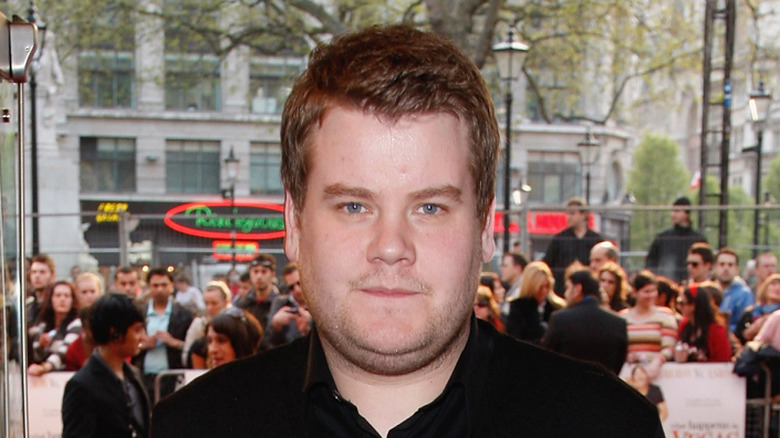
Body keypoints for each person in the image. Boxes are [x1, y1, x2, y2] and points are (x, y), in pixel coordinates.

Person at [152, 25, 662, 437]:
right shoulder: (194, 426)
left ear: (485, 226)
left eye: (431, 208)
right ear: (294, 223)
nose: (391, 247)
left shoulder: (608, 425)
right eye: (353, 205)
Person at [62, 293, 150, 438]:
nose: (143, 337)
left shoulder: (134, 376)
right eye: (137, 330)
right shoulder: (81, 386)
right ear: (114, 333)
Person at [542, 268, 628, 374]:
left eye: (568, 288)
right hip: (602, 387)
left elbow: (546, 359)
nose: (566, 294)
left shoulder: (560, 319)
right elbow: (618, 364)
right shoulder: (618, 323)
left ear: (578, 289)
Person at [133, 267, 193, 400]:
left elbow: (191, 347)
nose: (160, 289)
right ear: (149, 287)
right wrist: (144, 344)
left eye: (164, 285)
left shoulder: (184, 315)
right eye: (155, 285)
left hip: (173, 376)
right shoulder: (139, 313)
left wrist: (173, 342)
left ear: (171, 286)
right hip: (144, 376)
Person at [620, 270, 678, 380]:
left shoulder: (665, 315)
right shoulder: (623, 317)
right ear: (635, 292)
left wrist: (657, 361)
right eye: (646, 292)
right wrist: (627, 356)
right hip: (629, 374)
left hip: (657, 374)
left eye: (653, 291)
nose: (651, 295)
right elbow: (619, 347)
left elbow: (669, 347)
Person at [543, 196, 603, 296]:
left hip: (588, 291)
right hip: (561, 291)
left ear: (583, 215)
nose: (568, 217)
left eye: (572, 214)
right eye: (567, 214)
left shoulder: (595, 239)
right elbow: (548, 262)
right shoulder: (559, 239)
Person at [645, 196, 707, 283]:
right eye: (673, 211)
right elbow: (651, 261)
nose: (673, 214)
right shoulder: (663, 238)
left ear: (687, 213)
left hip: (692, 284)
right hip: (667, 285)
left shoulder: (698, 239)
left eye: (677, 211)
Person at [28, 281, 82, 375]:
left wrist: (44, 367)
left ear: (72, 300)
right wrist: (41, 345)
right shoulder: (44, 325)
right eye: (58, 295)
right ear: (51, 299)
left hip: (65, 376)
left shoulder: (76, 324)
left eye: (66, 296)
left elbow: (64, 352)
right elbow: (36, 356)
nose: (62, 299)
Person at [505, 261, 564, 343]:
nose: (544, 291)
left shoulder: (558, 308)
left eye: (547, 286)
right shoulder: (518, 307)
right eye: (540, 287)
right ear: (531, 286)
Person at [676, 282, 731, 362]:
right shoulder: (684, 325)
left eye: (682, 303)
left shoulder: (716, 331)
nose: (678, 307)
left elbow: (723, 360)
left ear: (694, 305)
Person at [182, 280, 232, 368]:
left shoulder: (235, 323)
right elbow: (187, 354)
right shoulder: (198, 324)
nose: (210, 308)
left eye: (214, 303)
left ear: (225, 302)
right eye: (206, 303)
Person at [265, 262, 313, 349]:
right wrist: (276, 325)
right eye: (291, 287)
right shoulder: (280, 303)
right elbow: (268, 341)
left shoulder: (318, 303)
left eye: (299, 283)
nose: (297, 290)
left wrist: (309, 324)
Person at [236, 253, 280, 332]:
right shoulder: (244, 304)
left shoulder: (280, 303)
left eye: (264, 272)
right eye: (255, 272)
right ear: (250, 274)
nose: (259, 276)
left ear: (272, 275)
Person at [714, 247, 755, 332]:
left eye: (730, 265)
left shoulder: (745, 294)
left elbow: (744, 324)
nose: (726, 268)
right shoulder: (707, 290)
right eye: (722, 264)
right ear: (715, 267)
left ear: (737, 269)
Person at [735, 273, 780, 345]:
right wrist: (752, 330)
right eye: (773, 284)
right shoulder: (750, 312)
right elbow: (738, 336)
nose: (777, 288)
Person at [27, 253, 56, 327]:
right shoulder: (28, 306)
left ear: (52, 276)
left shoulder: (56, 304)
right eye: (34, 272)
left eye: (42, 272)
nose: (37, 276)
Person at [498, 251, 527, 317]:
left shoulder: (520, 291)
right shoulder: (514, 288)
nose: (501, 269)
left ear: (517, 268)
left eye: (505, 266)